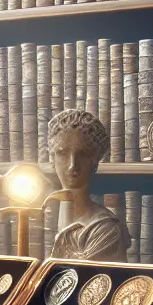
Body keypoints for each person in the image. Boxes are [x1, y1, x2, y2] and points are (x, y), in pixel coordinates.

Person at [44, 110, 130, 261]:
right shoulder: (38, 218)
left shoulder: (105, 229)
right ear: (52, 158)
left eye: (83, 154)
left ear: (94, 162)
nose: (72, 165)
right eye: (63, 153)